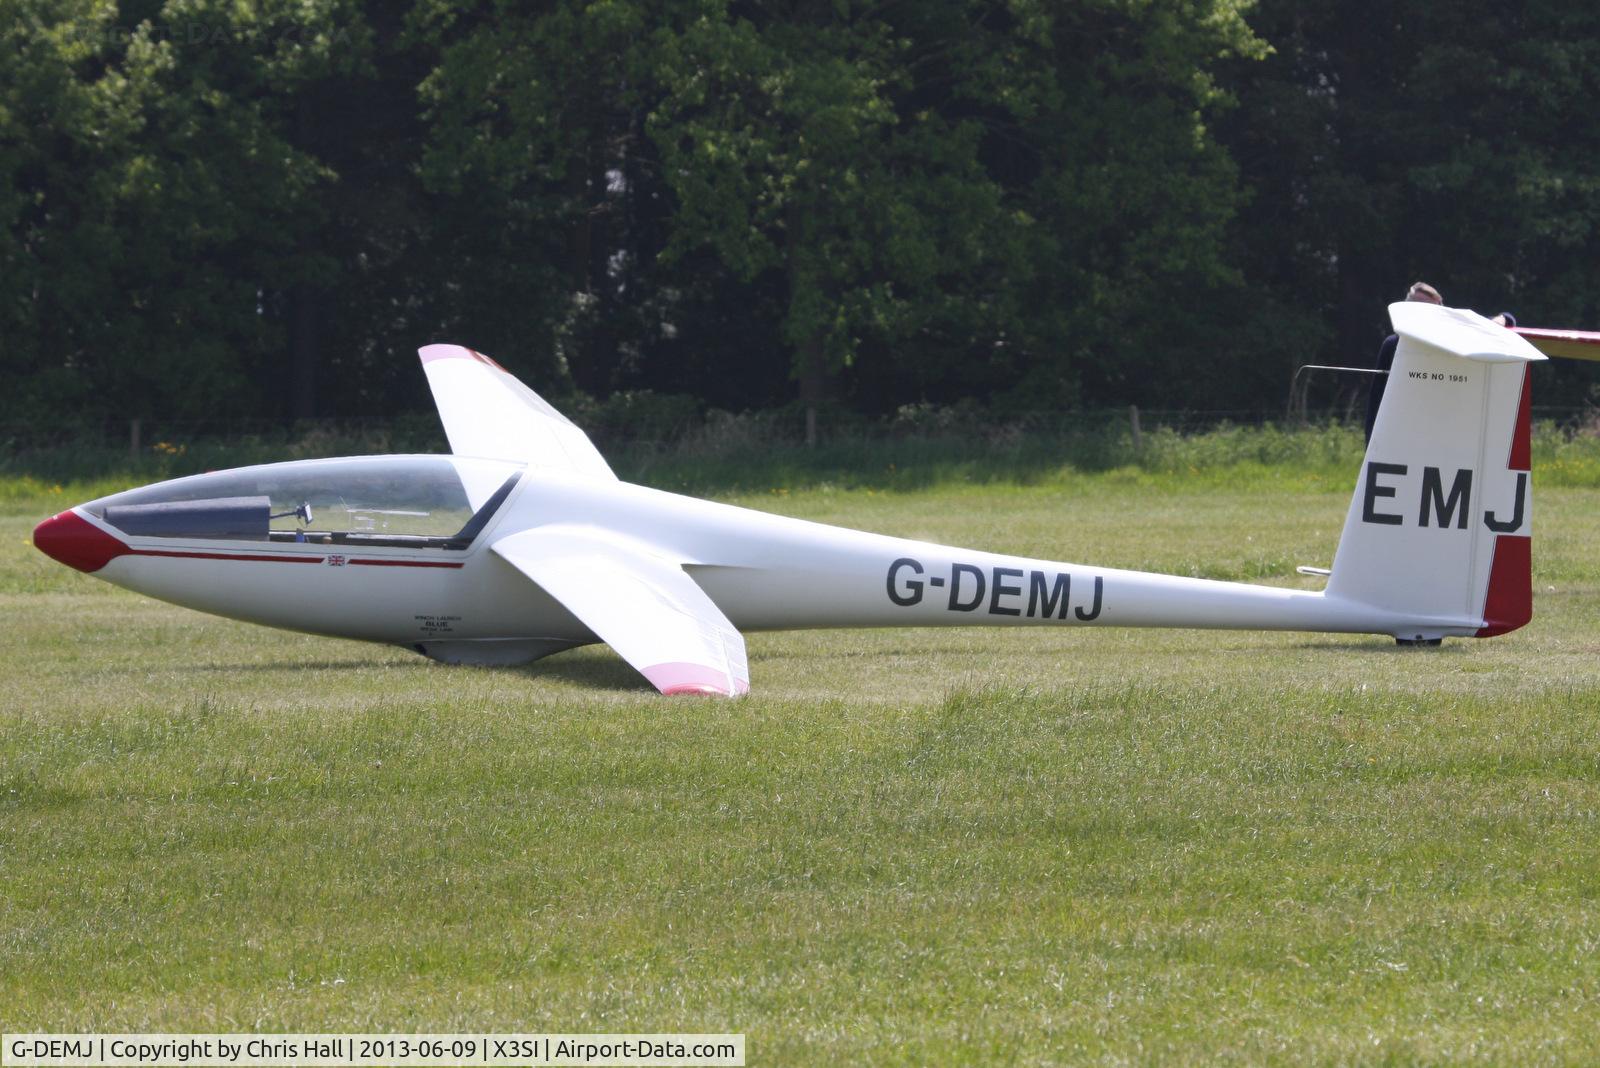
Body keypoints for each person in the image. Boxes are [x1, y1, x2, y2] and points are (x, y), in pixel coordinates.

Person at [1364, 282, 1443, 442]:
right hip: (1396, 432)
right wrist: (1371, 441)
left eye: (1427, 307)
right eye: (1414, 305)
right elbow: (1376, 399)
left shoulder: (1448, 348)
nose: (1419, 311)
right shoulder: (1392, 345)